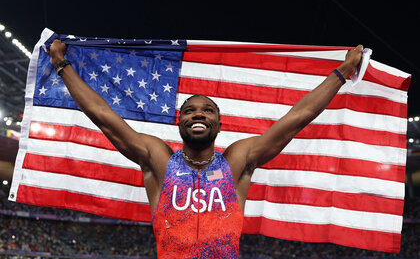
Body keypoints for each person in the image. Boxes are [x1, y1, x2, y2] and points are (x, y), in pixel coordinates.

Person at [49, 39, 363, 258]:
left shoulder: (237, 161)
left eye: (208, 110)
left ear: (219, 125)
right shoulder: (159, 160)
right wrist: (62, 65)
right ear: (180, 123)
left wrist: (341, 72)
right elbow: (103, 117)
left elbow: (297, 118)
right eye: (190, 111)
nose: (199, 114)